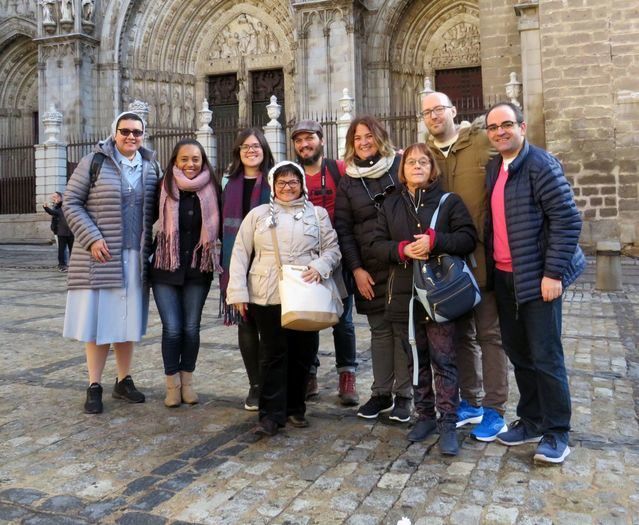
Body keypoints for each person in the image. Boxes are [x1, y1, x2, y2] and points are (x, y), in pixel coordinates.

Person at [484, 102, 585, 464]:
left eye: (506, 125)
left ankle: (557, 433)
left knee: (546, 356)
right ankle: (531, 420)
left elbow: (568, 221)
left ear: (522, 127)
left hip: (539, 277)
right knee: (519, 354)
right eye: (493, 127)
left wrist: (553, 274)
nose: (500, 132)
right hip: (505, 276)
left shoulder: (540, 164)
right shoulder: (494, 167)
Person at [371, 143, 477, 455]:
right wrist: (402, 249)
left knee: (444, 359)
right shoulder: (390, 203)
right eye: (410, 162)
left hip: (439, 294)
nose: (417, 166)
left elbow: (468, 237)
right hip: (404, 294)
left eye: (423, 162)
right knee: (416, 360)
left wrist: (435, 242)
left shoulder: (449, 202)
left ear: (432, 168)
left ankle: (448, 422)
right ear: (401, 171)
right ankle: (425, 415)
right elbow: (376, 245)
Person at [226, 161, 341, 437]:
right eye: (281, 182)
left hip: (305, 292)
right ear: (272, 185)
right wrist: (238, 293)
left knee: (303, 354)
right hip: (267, 293)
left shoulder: (318, 214)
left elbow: (333, 249)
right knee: (272, 354)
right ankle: (270, 415)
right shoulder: (258, 215)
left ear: (301, 184)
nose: (287, 187)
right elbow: (240, 253)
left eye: (293, 182)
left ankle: (295, 408)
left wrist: (320, 267)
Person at [421, 91, 510, 441]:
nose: (434, 116)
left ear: (453, 110)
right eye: (427, 112)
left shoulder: (482, 143)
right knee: (460, 335)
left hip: (482, 258)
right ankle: (470, 403)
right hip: (447, 262)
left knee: (490, 334)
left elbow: (513, 158)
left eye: (439, 109)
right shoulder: (425, 155)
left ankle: (495, 409)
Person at [63, 111, 160, 414]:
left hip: (136, 257)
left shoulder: (150, 166)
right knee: (100, 322)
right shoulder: (94, 162)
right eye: (125, 131)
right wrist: (91, 238)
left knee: (127, 322)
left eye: (137, 132)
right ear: (114, 132)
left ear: (143, 135)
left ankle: (123, 379)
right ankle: (94, 384)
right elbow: (71, 202)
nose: (131, 136)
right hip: (102, 255)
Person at [334, 115, 412, 422]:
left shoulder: (399, 166)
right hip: (369, 267)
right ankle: (381, 393)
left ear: (380, 137)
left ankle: (404, 396)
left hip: (403, 261)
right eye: (357, 138)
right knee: (379, 332)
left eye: (369, 136)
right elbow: (344, 229)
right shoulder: (348, 180)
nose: (363, 142)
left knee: (403, 331)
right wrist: (355, 270)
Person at [291, 119, 359, 406]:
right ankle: (310, 373)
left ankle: (347, 375)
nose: (305, 145)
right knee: (309, 317)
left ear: (321, 140)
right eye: (299, 140)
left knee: (343, 321)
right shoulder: (292, 173)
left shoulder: (338, 169)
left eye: (309, 139)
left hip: (339, 254)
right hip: (305, 257)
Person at [150, 139, 222, 407]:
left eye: (196, 159)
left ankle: (187, 382)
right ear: (175, 161)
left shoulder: (213, 189)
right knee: (172, 329)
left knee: (191, 328)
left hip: (196, 269)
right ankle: (172, 385)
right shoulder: (162, 186)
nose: (190, 164)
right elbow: (147, 222)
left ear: (203, 161)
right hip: (165, 268)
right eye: (184, 159)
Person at [219, 128, 274, 411]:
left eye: (255, 146)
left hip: (268, 261)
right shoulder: (228, 183)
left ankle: (270, 383)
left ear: (264, 149)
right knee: (247, 323)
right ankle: (255, 385)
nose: (250, 150)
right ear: (238, 152)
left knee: (270, 326)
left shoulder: (275, 180)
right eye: (245, 147)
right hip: (237, 262)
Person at [43, 191, 74, 272]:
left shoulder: (66, 206)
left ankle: (73, 265)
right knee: (61, 250)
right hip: (61, 232)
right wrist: (46, 207)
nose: (53, 199)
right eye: (52, 197)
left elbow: (55, 211)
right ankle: (62, 265)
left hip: (71, 232)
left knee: (73, 250)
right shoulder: (57, 207)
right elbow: (53, 213)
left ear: (60, 197)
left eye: (55, 197)